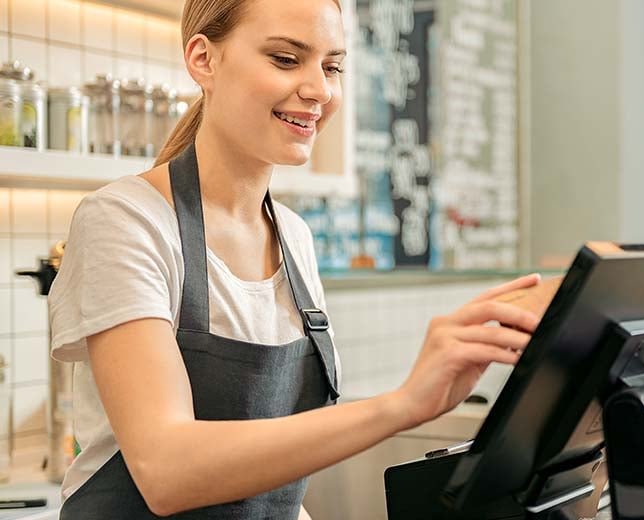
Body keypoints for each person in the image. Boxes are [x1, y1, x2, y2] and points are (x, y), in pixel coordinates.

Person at [47, 0, 541, 517]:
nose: (319, 90)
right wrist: (403, 404)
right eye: (286, 59)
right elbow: (166, 471)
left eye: (332, 67)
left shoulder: (294, 239)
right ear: (202, 59)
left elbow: (270, 497)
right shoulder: (127, 221)